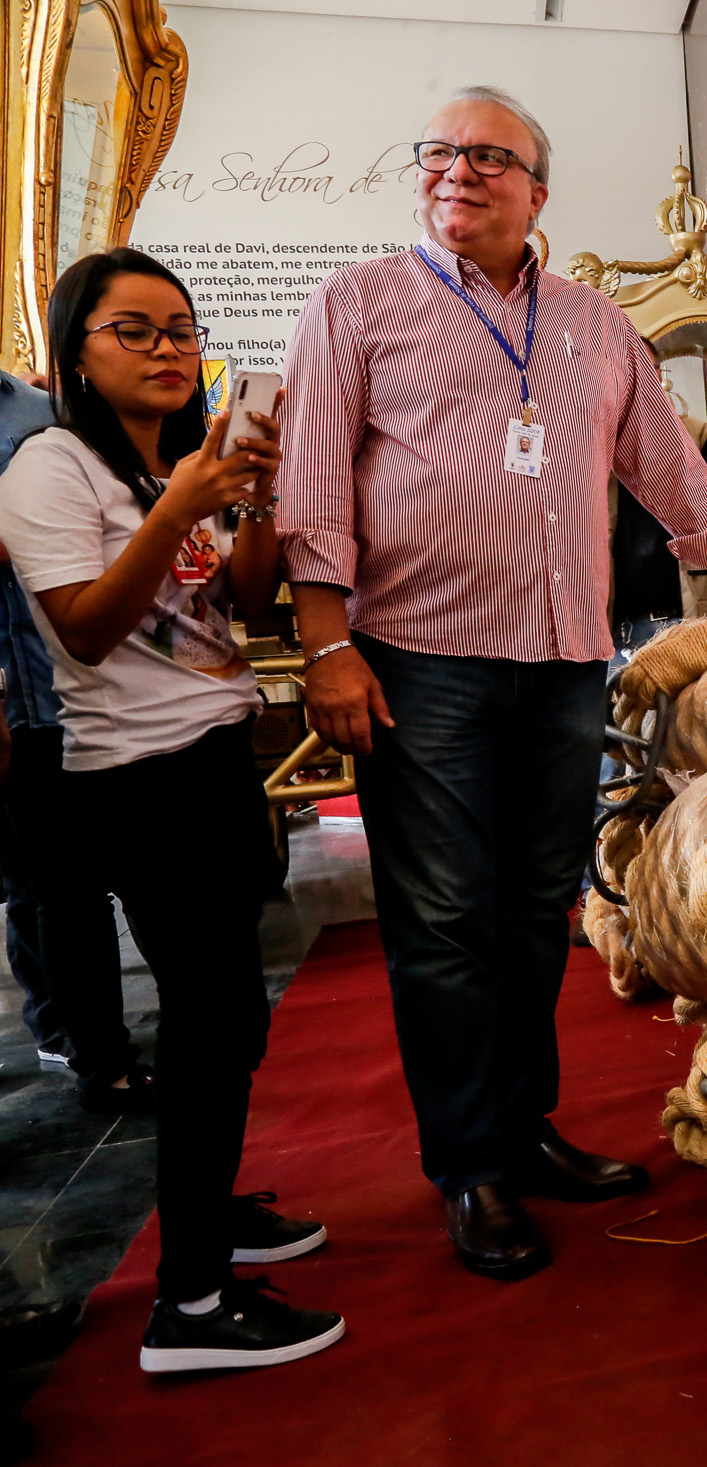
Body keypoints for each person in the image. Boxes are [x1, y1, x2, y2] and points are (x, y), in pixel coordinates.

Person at [276, 86, 707, 1283]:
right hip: (416, 663)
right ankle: (467, 1165)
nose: (457, 172)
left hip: (563, 657)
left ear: (540, 189)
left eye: (489, 157)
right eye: (438, 153)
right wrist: (327, 642)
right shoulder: (359, 303)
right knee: (441, 926)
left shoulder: (593, 323)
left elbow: (666, 466)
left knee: (538, 909)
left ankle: (524, 1129)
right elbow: (312, 480)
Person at [0, 247, 342, 1370]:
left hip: (208, 757)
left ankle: (211, 1217)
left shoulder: (167, 468)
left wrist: (252, 502)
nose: (166, 350)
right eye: (133, 331)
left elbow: (241, 609)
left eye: (180, 330)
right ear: (79, 353)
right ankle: (188, 1307)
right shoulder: (51, 468)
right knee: (207, 1024)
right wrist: (184, 503)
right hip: (138, 779)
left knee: (228, 1020)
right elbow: (87, 630)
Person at [0, 370, 137, 1103]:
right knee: (45, 890)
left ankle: (94, 1045)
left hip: (70, 691)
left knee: (71, 892)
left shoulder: (37, 409)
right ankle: (81, 1045)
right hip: (13, 694)